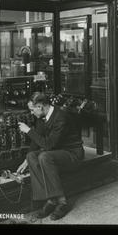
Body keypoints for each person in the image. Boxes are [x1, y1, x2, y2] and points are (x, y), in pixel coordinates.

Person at [16, 92, 84, 220]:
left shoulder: (61, 117)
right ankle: (51, 199)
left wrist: (28, 131)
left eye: (32, 110)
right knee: (32, 156)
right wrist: (26, 160)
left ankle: (62, 202)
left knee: (44, 156)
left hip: (72, 154)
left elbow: (49, 145)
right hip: (57, 152)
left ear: (40, 107)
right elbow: (37, 141)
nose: (31, 113)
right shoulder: (43, 116)